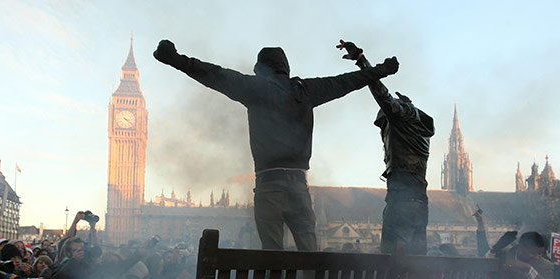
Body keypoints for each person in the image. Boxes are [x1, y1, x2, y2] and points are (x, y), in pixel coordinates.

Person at [154, 39, 399, 251]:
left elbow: (212, 74)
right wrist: (381, 69)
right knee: (310, 258)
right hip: (299, 188)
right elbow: (348, 81)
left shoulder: (255, 88)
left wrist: (173, 58)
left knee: (271, 256)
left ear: (261, 69)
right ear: (285, 67)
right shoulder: (306, 90)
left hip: (268, 186)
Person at [337, 40, 434, 255]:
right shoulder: (420, 130)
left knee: (391, 261)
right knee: (417, 262)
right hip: (419, 201)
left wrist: (362, 61)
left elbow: (381, 94)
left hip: (401, 200)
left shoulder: (402, 117)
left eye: (383, 124)